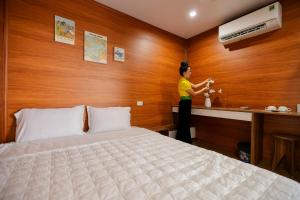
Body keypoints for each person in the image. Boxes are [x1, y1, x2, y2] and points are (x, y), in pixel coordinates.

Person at [176, 61, 210, 143]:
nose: (191, 72)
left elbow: (195, 86)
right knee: (185, 123)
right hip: (185, 104)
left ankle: (182, 140)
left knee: (184, 123)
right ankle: (185, 141)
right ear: (184, 72)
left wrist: (205, 81)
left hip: (185, 103)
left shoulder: (184, 80)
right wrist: (204, 89)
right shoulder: (184, 83)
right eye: (189, 71)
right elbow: (194, 94)